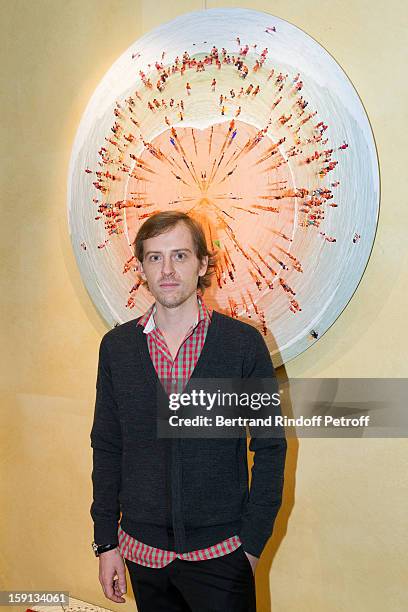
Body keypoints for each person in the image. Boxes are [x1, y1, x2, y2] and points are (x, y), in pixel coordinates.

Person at [90, 211, 287, 611]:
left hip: (222, 554)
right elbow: (107, 447)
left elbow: (269, 448)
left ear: (201, 264)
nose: (167, 270)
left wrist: (251, 544)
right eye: (155, 257)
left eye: (179, 256)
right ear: (142, 267)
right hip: (143, 555)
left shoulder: (242, 345)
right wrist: (106, 540)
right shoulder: (117, 348)